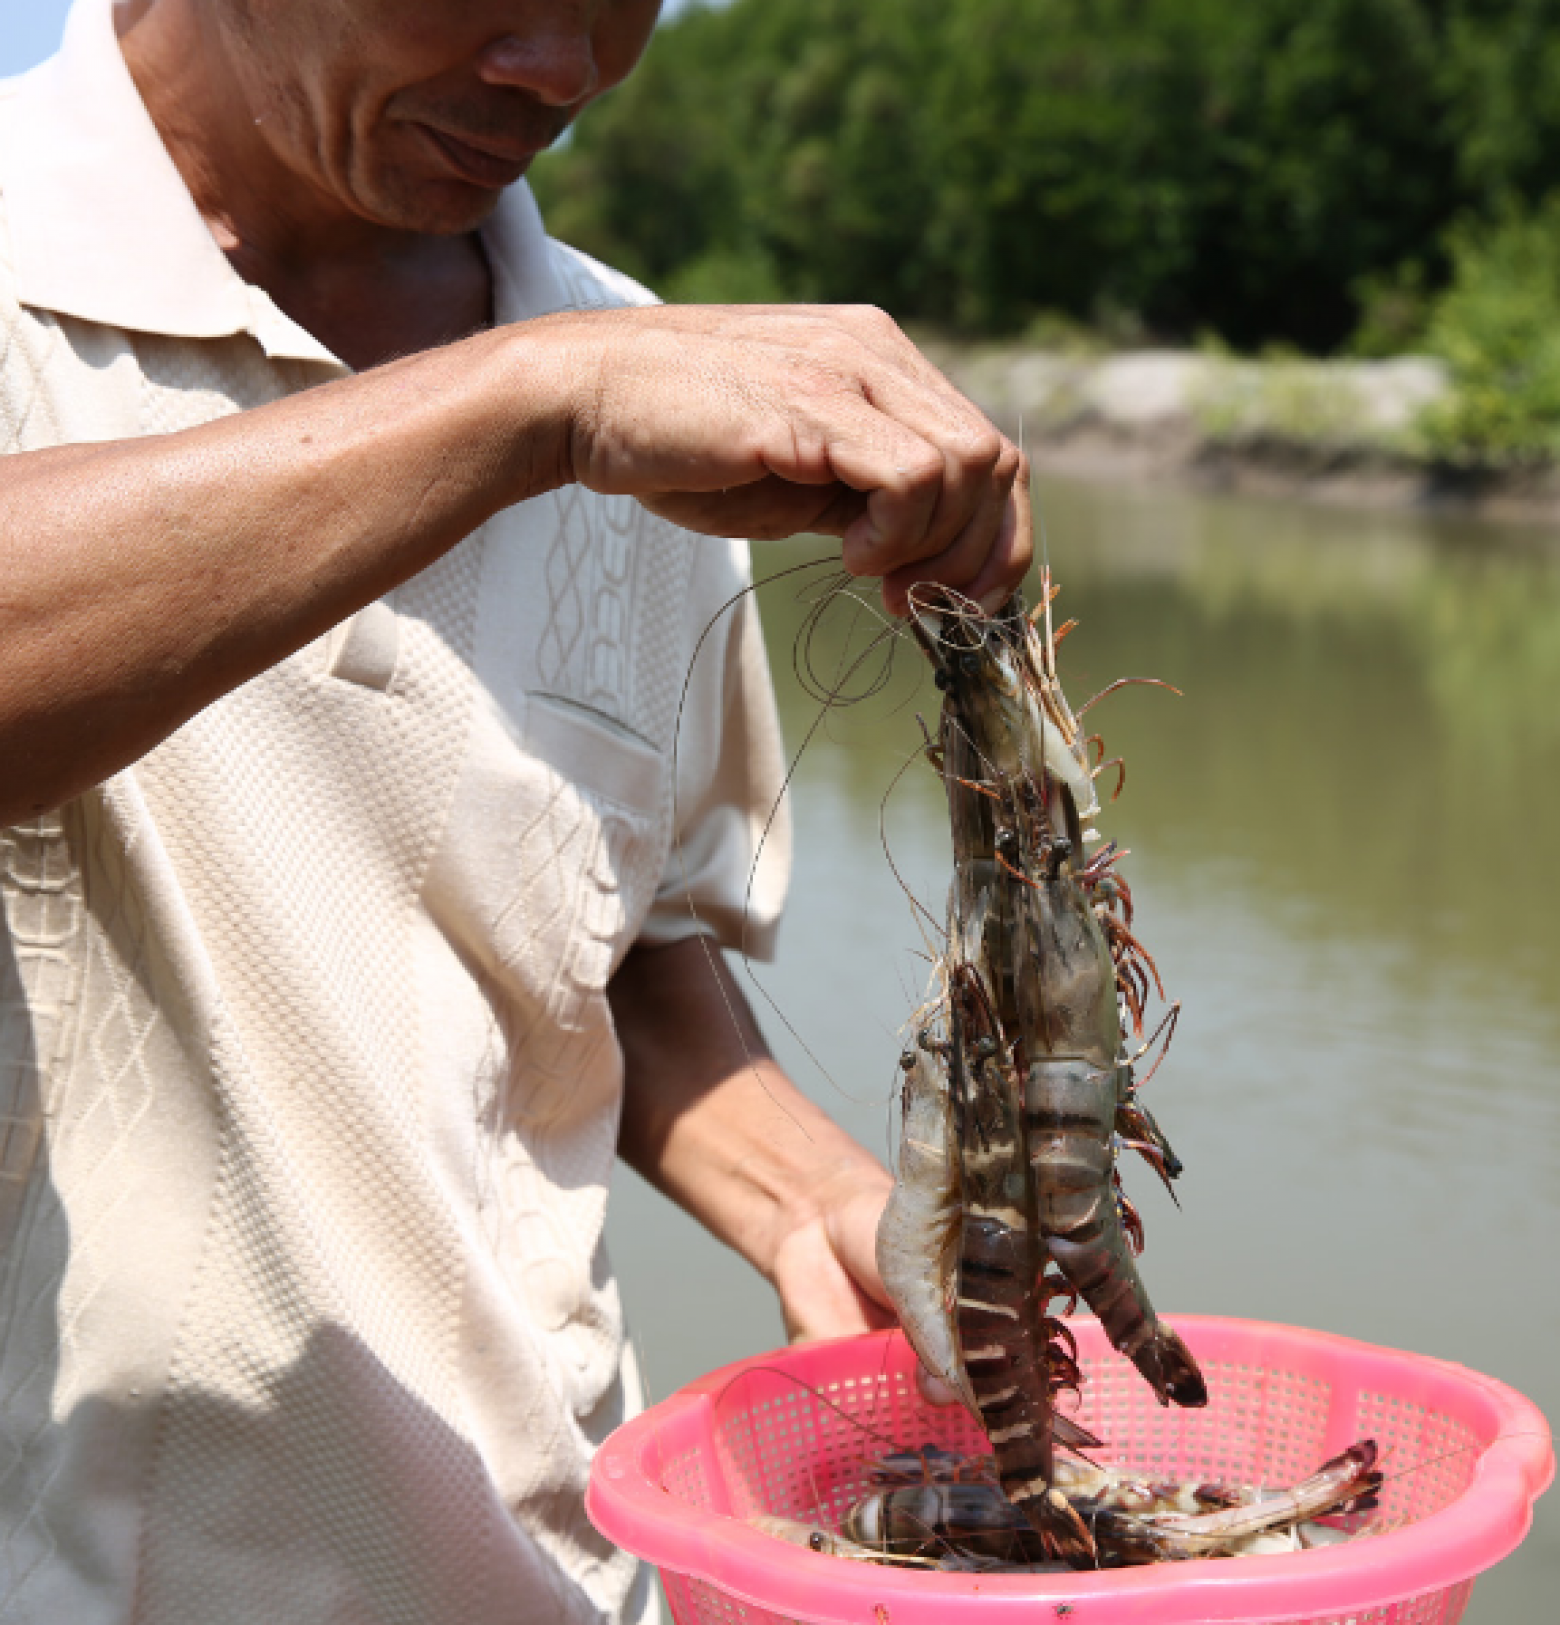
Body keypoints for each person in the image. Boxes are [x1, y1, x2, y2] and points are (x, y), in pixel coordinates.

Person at [0, 0, 1030, 1619]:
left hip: (551, 1572)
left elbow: (608, 936)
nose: (561, 67)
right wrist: (531, 410)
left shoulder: (631, 374)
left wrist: (807, 1196)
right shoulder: (594, 391)